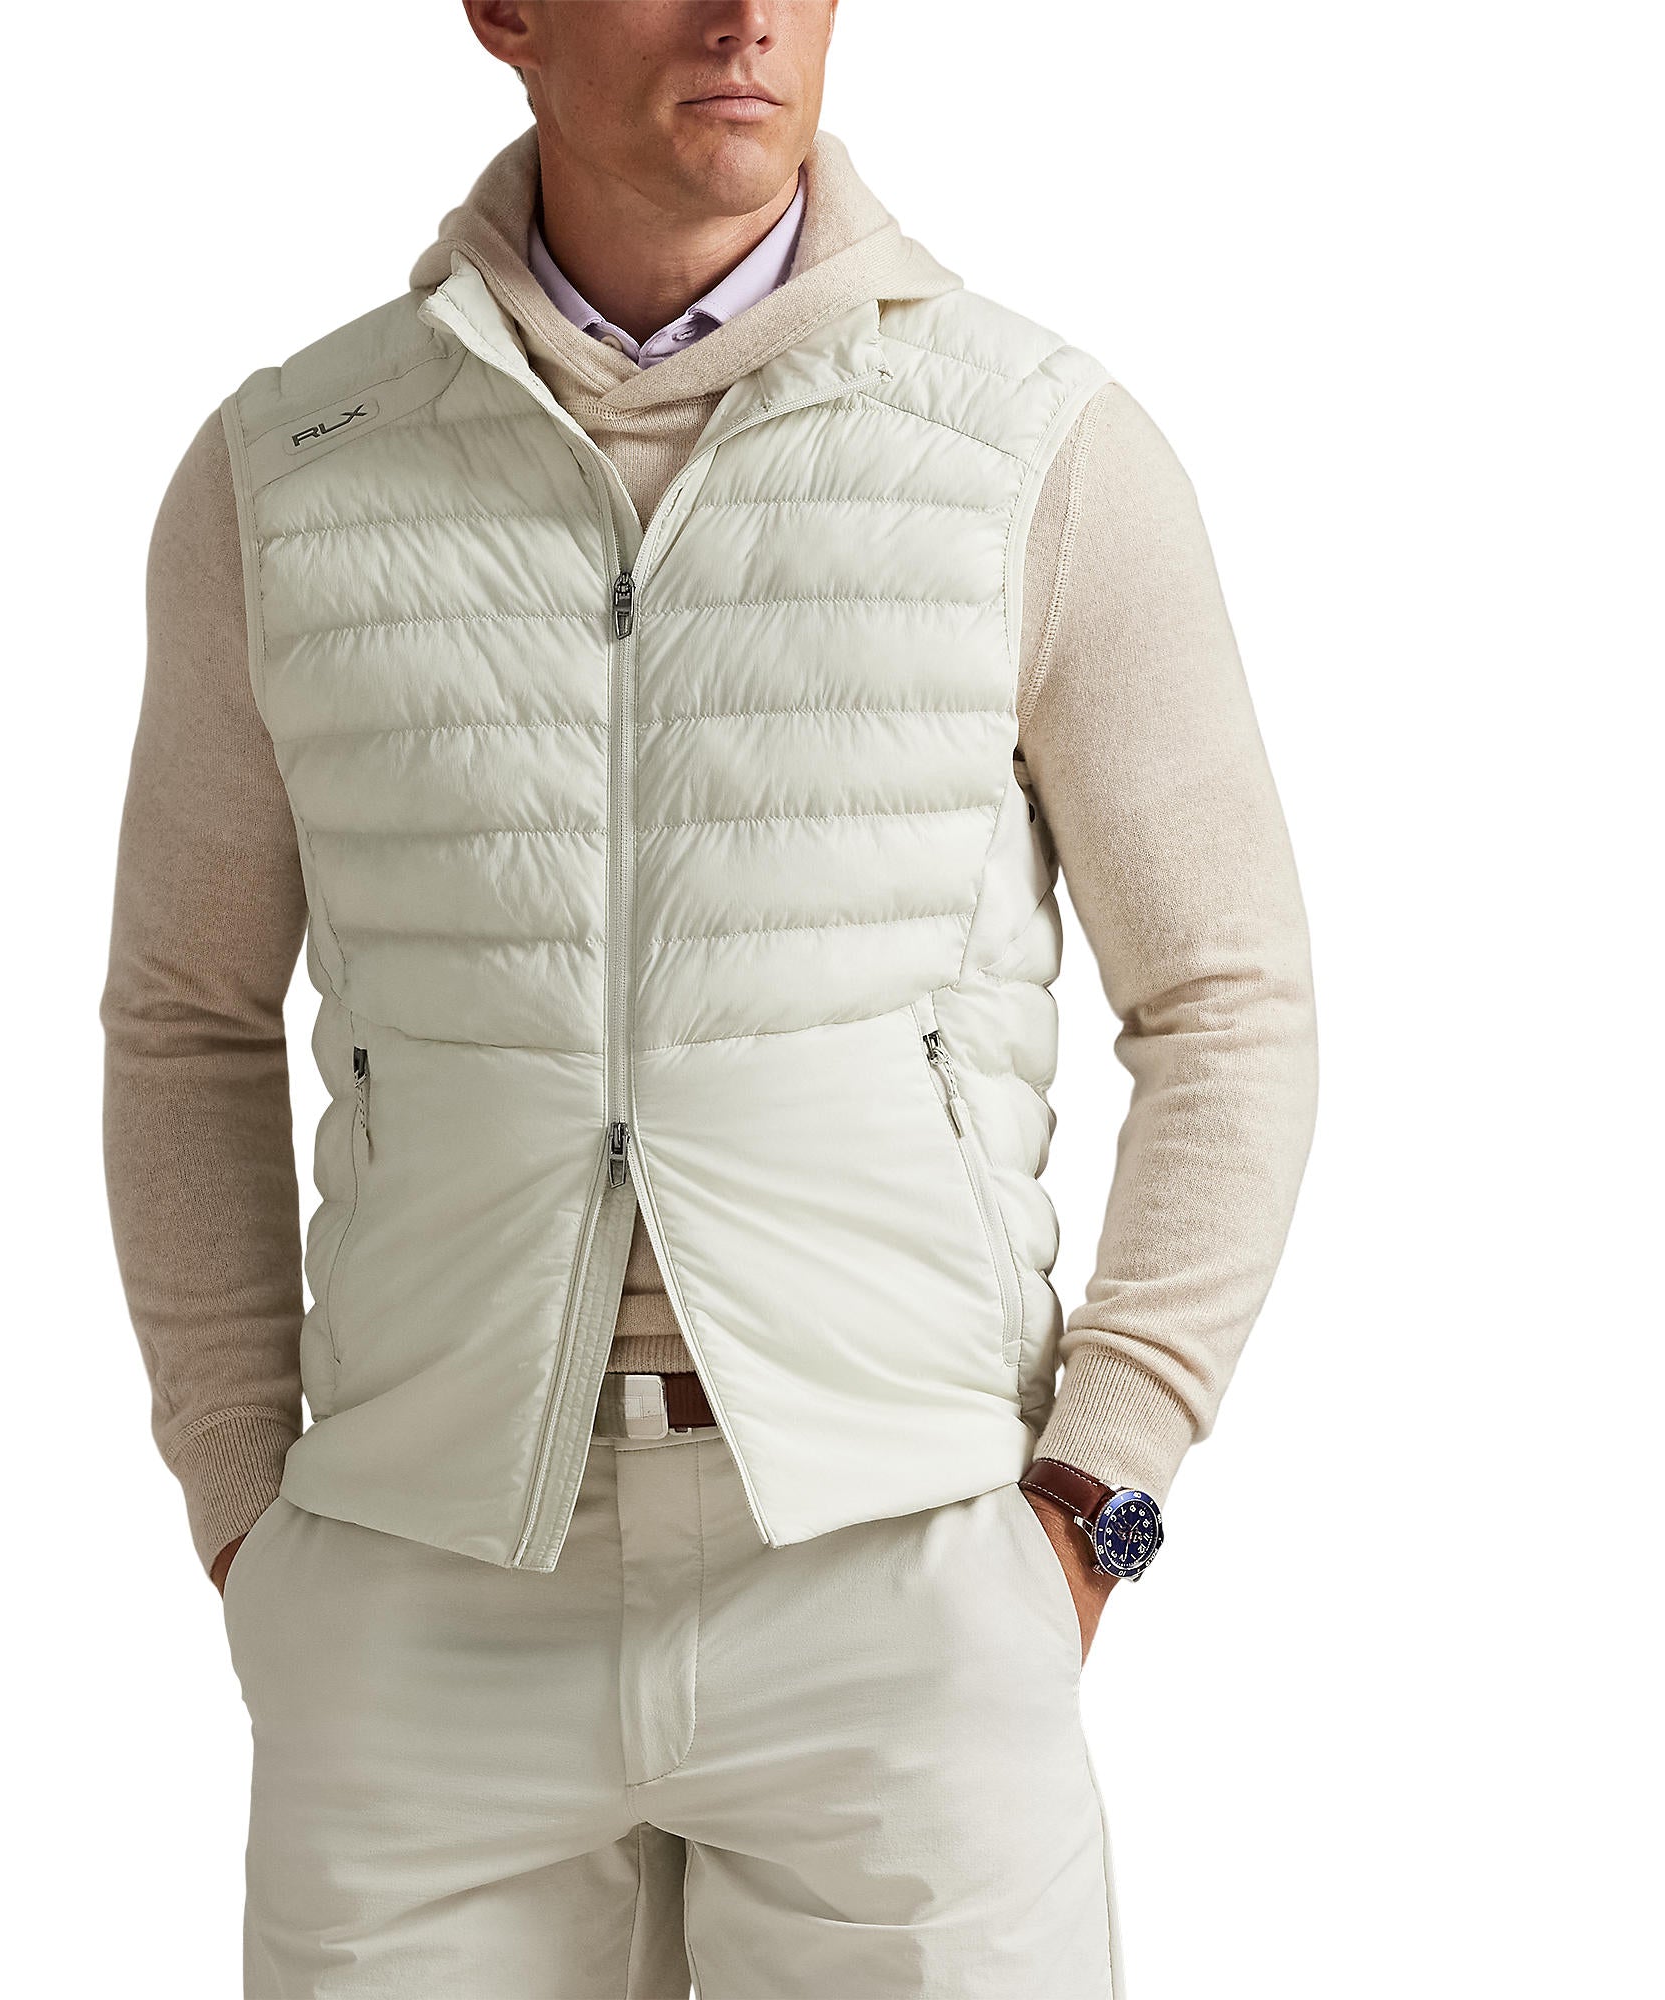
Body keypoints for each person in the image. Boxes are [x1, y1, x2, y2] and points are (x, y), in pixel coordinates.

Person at [100, 3, 1317, 1992]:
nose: (747, 15)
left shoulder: (1032, 449)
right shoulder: (292, 471)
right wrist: (246, 1501)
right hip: (418, 1588)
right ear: (506, 13)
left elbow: (1228, 998)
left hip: (899, 1570)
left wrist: (1098, 1489)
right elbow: (185, 1016)